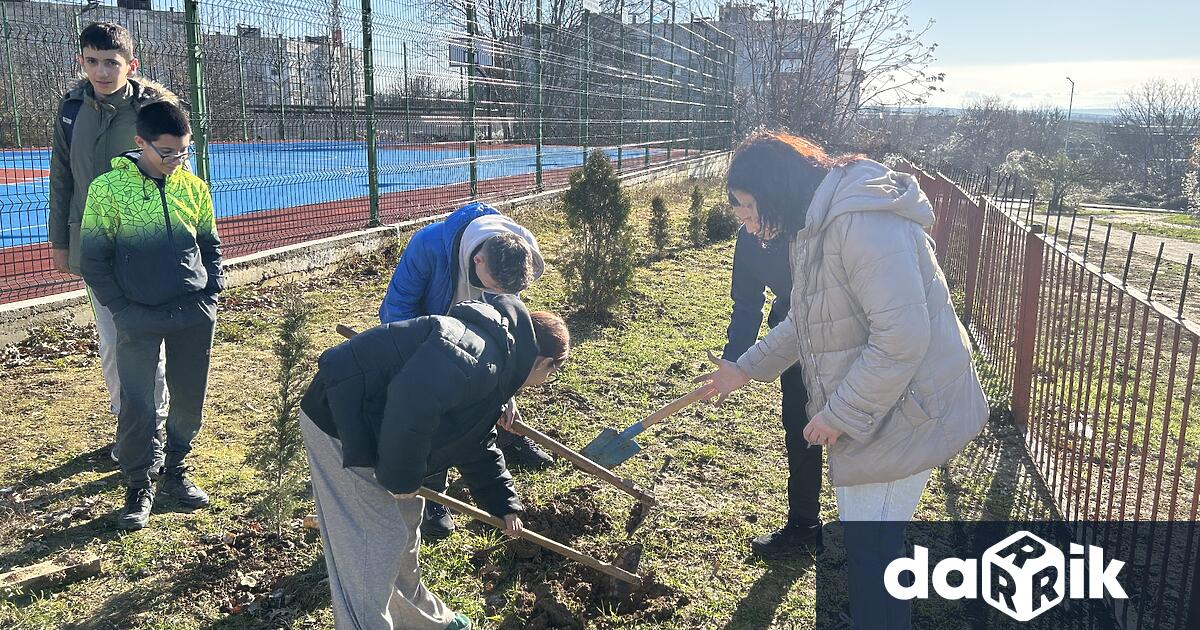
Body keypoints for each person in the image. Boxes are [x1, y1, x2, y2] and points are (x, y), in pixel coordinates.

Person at [693, 133, 988, 629]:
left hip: (909, 407)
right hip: (884, 402)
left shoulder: (860, 223)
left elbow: (902, 338)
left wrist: (840, 412)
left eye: (746, 206)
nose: (742, 219)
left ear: (776, 190)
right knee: (867, 544)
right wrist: (745, 367)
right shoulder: (817, 225)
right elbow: (806, 317)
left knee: (873, 552)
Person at [299, 295, 570, 630]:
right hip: (339, 419)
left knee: (407, 522)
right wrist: (400, 480)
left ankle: (424, 621)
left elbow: (473, 439)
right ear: (544, 363)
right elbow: (410, 402)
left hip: (376, 424)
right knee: (375, 541)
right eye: (553, 373)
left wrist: (504, 505)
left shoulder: (500, 362)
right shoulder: (478, 352)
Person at [80, 101, 223, 531]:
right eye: (167, 153)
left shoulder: (193, 187)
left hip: (193, 313)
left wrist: (211, 293)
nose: (177, 161)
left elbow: (210, 245)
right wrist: (122, 309)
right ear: (140, 143)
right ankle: (139, 483)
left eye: (184, 151)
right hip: (137, 317)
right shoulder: (107, 190)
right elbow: (93, 259)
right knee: (139, 405)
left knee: (189, 401)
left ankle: (176, 470)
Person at [379, 201, 553, 539]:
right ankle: (433, 493)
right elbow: (397, 308)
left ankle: (506, 437)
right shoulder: (428, 247)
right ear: (477, 260)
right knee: (438, 415)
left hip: (475, 339)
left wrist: (507, 392)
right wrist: (424, 366)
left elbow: (509, 331)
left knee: (487, 397)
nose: (499, 296)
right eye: (493, 287)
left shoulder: (512, 252)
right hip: (428, 337)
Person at [49, 21, 174, 466]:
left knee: (145, 343)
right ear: (80, 61)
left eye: (111, 62)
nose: (101, 71)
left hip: (145, 249)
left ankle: (153, 434)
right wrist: (61, 242)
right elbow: (63, 176)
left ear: (130, 65)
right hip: (96, 250)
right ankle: (129, 430)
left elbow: (176, 178)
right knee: (111, 344)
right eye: (92, 61)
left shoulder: (154, 111)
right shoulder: (71, 110)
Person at [723, 224, 821, 556]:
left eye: (752, 207)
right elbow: (747, 304)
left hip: (840, 339)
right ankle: (804, 525)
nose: (748, 221)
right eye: (739, 208)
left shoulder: (809, 226)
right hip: (789, 340)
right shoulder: (748, 238)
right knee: (800, 427)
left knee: (852, 433)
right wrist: (733, 363)